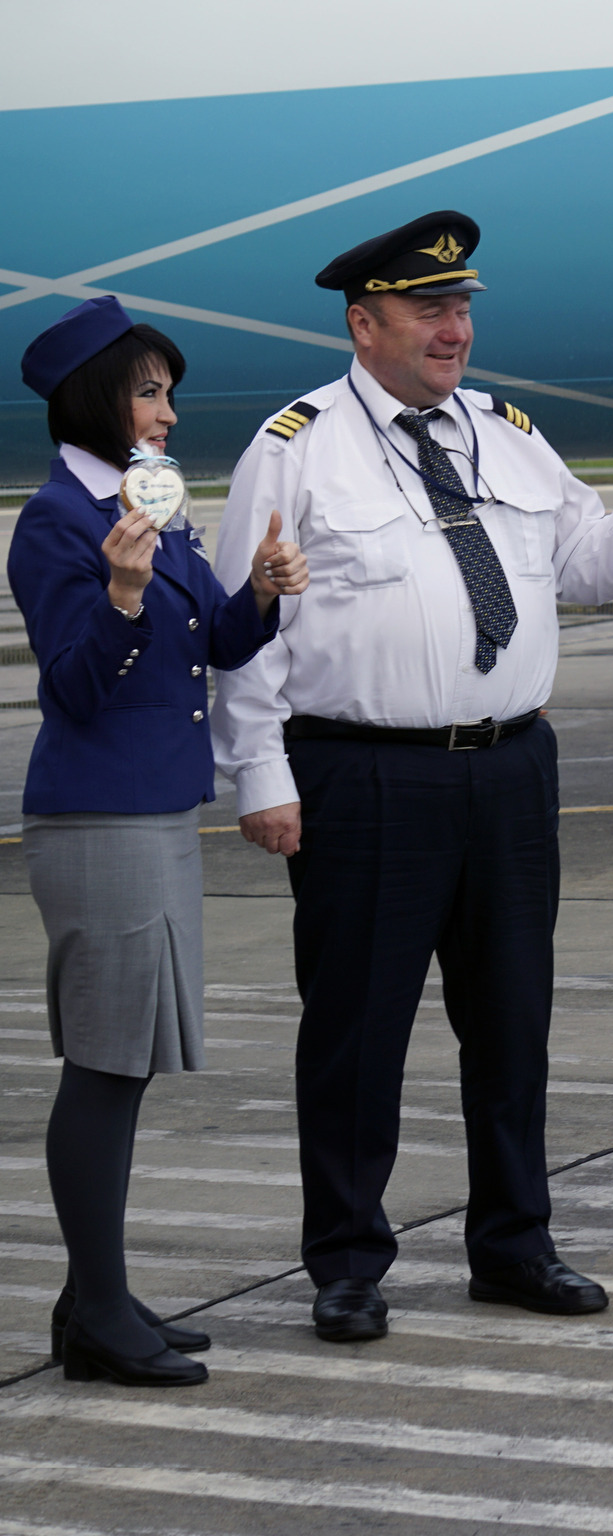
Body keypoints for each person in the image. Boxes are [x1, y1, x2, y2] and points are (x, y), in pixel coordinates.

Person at [212, 212, 613, 1342]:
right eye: (429, 311)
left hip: (510, 766)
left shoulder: (506, 432)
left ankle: (514, 1245)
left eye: (462, 309)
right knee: (356, 1032)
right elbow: (245, 632)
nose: (455, 330)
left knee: (512, 1023)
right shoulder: (296, 445)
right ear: (362, 322)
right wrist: (259, 777)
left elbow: (585, 570)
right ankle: (345, 1261)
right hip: (364, 776)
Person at [10, 297, 305, 1385]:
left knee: (127, 1064)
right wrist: (123, 594)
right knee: (106, 1063)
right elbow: (77, 686)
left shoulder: (151, 508)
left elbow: (217, 639)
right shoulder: (56, 522)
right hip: (99, 818)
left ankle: (98, 1297)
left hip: (156, 814)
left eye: (167, 392)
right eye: (149, 391)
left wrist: (265, 595)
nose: (168, 413)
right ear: (97, 398)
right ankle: (95, 1313)